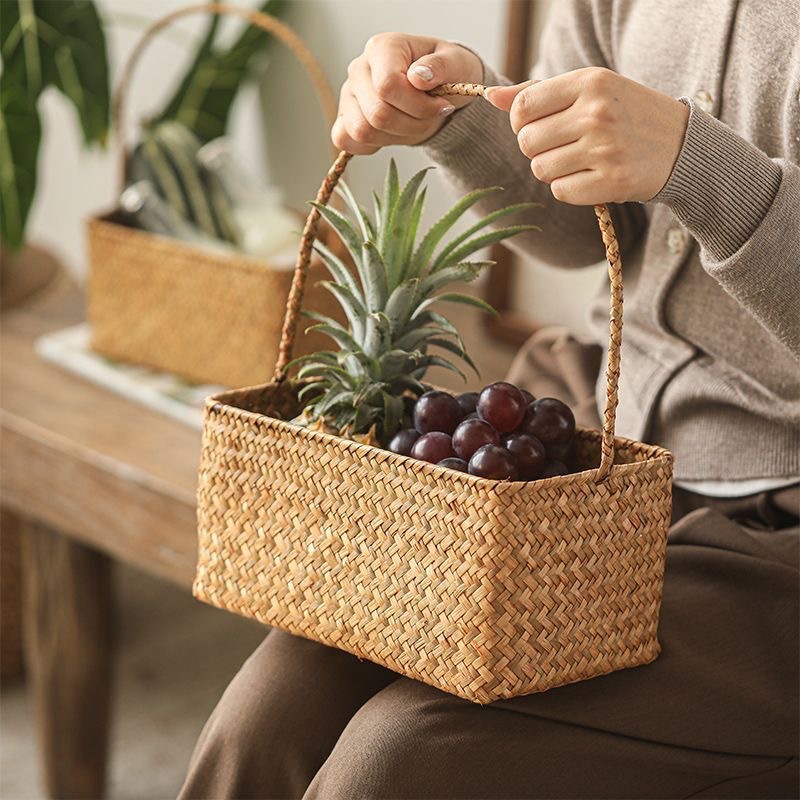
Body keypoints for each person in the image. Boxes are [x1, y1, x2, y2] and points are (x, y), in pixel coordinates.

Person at [179, 1, 799, 797]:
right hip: (593, 452)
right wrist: (460, 117)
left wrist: (703, 170)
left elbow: (692, 172)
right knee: (269, 715)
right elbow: (582, 232)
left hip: (777, 536)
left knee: (397, 758)